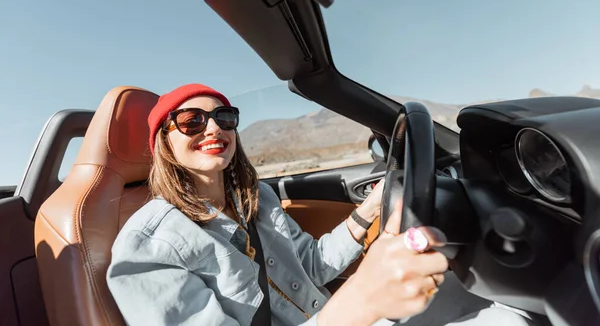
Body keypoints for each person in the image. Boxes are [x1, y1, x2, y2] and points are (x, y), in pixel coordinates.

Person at [105, 83, 531, 326]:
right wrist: (361, 301)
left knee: (498, 301)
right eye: (191, 120)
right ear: (164, 142)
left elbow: (309, 267)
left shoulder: (258, 198)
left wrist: (370, 209)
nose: (213, 127)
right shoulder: (146, 248)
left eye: (224, 116)